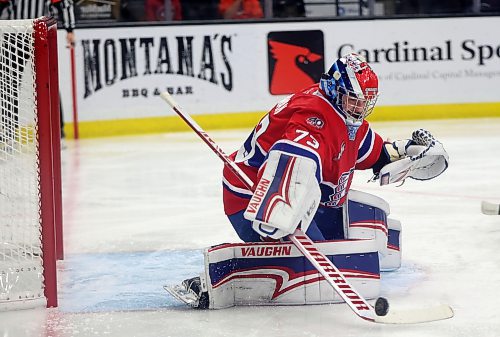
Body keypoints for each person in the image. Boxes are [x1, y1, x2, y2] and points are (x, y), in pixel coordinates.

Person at [172, 53, 448, 309]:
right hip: (253, 197)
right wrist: (280, 210)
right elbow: (293, 161)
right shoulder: (312, 116)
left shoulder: (345, 115)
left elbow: (374, 154)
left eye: (365, 101)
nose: (360, 108)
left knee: (351, 242)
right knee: (317, 264)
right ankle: (214, 281)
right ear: (334, 89)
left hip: (306, 199)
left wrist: (409, 152)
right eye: (354, 100)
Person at [0, 0, 75, 141]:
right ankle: (9, 132)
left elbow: (64, 3)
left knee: (48, 84)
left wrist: (70, 29)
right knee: (9, 84)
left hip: (41, 35)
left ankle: (58, 131)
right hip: (14, 35)